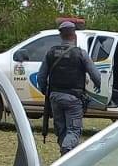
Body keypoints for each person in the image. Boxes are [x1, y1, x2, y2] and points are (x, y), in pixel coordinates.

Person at [40, 19, 102, 156]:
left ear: (61, 36)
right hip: (74, 99)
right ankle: (67, 150)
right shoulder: (81, 53)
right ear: (74, 35)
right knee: (73, 130)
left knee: (61, 130)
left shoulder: (50, 53)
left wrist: (47, 93)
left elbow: (41, 77)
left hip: (55, 97)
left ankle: (64, 156)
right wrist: (98, 86)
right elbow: (96, 75)